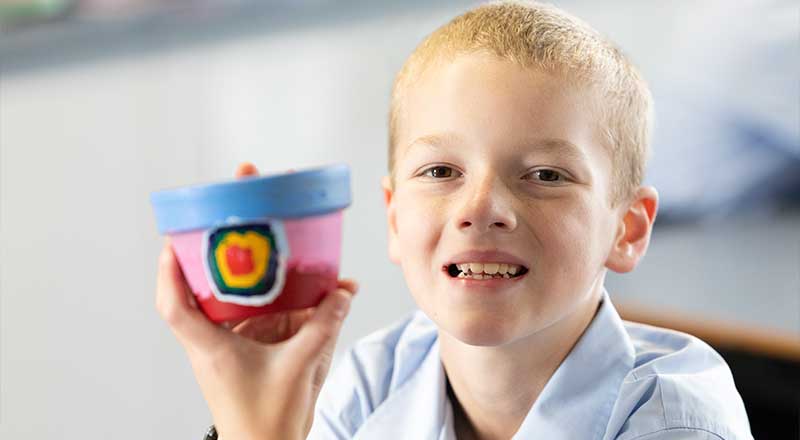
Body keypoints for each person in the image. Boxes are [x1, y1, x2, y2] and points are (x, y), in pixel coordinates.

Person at [155, 1, 753, 439]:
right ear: (393, 218)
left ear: (627, 229)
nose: (480, 209)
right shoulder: (373, 380)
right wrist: (252, 424)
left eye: (545, 175)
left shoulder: (675, 421)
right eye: (440, 172)